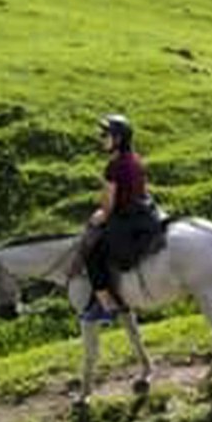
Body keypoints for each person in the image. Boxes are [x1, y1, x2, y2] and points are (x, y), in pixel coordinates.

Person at [82, 113, 151, 324]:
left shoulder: (114, 166)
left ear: (118, 139)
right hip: (144, 212)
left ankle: (106, 306)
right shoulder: (136, 159)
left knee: (92, 253)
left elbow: (109, 202)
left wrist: (100, 216)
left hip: (126, 217)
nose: (102, 138)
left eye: (106, 135)